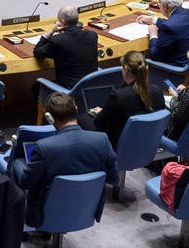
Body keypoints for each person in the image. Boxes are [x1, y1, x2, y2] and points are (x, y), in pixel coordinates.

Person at [8, 93, 117, 227]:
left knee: (17, 163)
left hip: (45, 212)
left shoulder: (43, 148)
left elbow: (25, 182)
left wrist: (16, 159)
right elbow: (113, 178)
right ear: (75, 109)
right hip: (86, 209)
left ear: (49, 118)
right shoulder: (102, 140)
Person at [88, 51, 163, 148]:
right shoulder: (157, 91)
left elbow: (99, 123)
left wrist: (102, 113)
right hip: (148, 143)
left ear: (126, 69)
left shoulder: (118, 96)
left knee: (83, 118)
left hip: (119, 144)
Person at [33, 5, 99, 89]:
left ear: (62, 21)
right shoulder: (92, 36)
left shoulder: (57, 40)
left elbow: (37, 52)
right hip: (92, 87)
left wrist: (51, 31)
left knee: (36, 87)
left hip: (71, 90)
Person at [141, 0, 189, 67]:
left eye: (159, 4)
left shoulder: (168, 26)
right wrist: (154, 19)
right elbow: (176, 24)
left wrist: (153, 35)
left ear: (164, 6)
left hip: (178, 68)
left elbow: (155, 55)